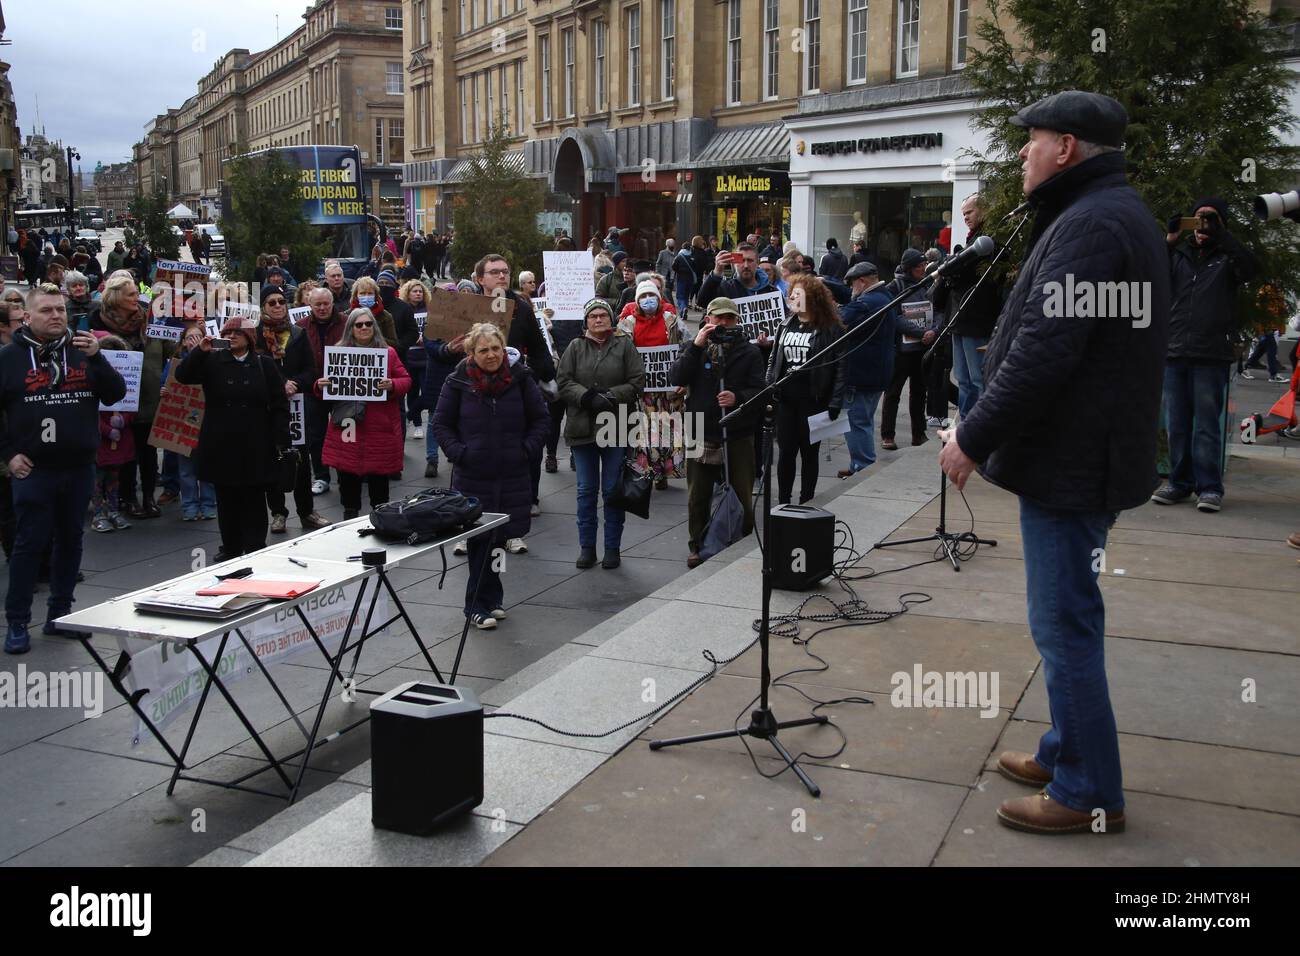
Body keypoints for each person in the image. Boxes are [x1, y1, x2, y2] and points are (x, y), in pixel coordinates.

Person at [938, 90, 1171, 835]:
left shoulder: (1095, 222)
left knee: (1064, 627)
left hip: (1074, 464)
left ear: (1066, 147)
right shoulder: (1101, 212)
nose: (1022, 153)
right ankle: (1066, 748)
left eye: (1031, 141)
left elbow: (1043, 353)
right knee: (1073, 617)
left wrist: (971, 437)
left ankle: (1087, 792)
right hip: (1084, 457)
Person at [2, 284, 127, 654]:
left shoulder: (83, 351)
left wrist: (98, 358)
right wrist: (8, 454)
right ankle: (18, 621)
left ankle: (60, 614)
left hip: (78, 466)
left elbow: (115, 394)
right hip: (34, 470)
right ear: (27, 316)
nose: (56, 316)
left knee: (71, 542)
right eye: (46, 311)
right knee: (29, 545)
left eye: (60, 309)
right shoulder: (9, 358)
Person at [432, 323, 551, 629]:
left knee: (499, 540)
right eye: (483, 350)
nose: (491, 355)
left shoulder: (521, 380)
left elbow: (540, 419)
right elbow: (441, 425)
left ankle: (493, 598)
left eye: (496, 348)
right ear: (471, 353)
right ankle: (475, 605)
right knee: (479, 543)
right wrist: (460, 453)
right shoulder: (457, 381)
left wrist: (526, 450)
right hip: (474, 476)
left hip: (511, 475)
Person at [1153, 197, 1257, 513]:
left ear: (1221, 223)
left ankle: (1209, 487)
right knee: (1178, 423)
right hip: (1176, 351)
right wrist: (1170, 239)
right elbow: (1150, 271)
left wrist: (1222, 235)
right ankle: (1179, 483)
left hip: (1211, 354)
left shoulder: (1227, 258)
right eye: (1197, 219)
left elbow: (1252, 270)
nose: (1201, 226)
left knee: (1207, 424)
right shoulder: (1179, 255)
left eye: (1209, 220)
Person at [176, 317, 290, 560]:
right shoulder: (212, 360)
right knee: (226, 499)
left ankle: (256, 546)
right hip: (221, 442)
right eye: (228, 332)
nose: (232, 336)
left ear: (249, 337)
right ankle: (231, 547)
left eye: (238, 332)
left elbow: (279, 404)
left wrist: (281, 440)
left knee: (254, 498)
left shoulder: (264, 364)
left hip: (256, 442)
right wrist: (199, 352)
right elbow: (183, 376)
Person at [672, 297, 767, 568]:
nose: (723, 323)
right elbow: (677, 377)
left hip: (737, 432)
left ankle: (739, 539)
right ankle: (697, 544)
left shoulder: (748, 352)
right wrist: (697, 345)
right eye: (718, 318)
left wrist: (738, 397)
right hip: (701, 430)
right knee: (697, 496)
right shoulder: (695, 347)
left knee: (741, 493)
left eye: (729, 319)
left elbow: (760, 390)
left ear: (737, 321)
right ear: (707, 319)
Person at [558, 299, 645, 569]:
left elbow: (637, 381)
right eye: (593, 316)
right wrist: (585, 397)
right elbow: (563, 381)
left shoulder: (624, 346)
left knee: (611, 490)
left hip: (615, 427)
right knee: (586, 491)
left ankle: (612, 548)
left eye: (602, 315)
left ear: (611, 319)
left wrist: (610, 396)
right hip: (582, 428)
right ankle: (587, 547)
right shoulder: (575, 347)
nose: (598, 320)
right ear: (586, 321)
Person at [315, 309, 410, 519]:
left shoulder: (388, 353)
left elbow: (406, 380)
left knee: (379, 481)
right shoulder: (338, 353)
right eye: (359, 325)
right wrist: (320, 386)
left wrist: (392, 384)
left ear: (374, 327)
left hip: (379, 426)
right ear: (351, 328)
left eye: (368, 324)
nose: (364, 328)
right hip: (348, 424)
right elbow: (325, 386)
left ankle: (381, 520)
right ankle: (350, 518)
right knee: (347, 476)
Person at [93, 275, 173, 518]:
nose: (135, 298)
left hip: (149, 397)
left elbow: (171, 350)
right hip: (118, 404)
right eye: (130, 294)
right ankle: (126, 499)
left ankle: (148, 497)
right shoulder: (98, 322)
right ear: (115, 298)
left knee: (148, 454)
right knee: (124, 455)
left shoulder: (150, 320)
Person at [255, 286, 331, 533]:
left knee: (300, 459)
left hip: (297, 407)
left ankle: (307, 511)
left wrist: (295, 383)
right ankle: (278, 513)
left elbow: (311, 370)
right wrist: (279, 385)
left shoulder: (298, 334)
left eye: (281, 302)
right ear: (263, 307)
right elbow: (254, 369)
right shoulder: (256, 336)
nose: (277, 306)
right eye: (271, 303)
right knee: (273, 458)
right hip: (268, 409)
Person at [767, 274, 845, 504]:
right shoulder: (784, 324)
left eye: (797, 294)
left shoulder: (831, 329)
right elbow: (774, 359)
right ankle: (783, 501)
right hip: (786, 401)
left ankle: (807, 500)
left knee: (810, 454)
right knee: (786, 454)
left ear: (812, 298)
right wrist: (769, 383)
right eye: (791, 294)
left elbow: (841, 367)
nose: (791, 297)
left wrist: (835, 403)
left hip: (814, 401)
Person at [931, 194, 1003, 421]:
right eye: (963, 214)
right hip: (960, 320)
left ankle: (979, 424)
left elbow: (969, 274)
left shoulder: (987, 242)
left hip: (976, 321)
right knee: (963, 378)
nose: (965, 218)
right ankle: (965, 421)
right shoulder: (972, 241)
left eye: (969, 212)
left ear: (982, 211)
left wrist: (953, 271)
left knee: (977, 379)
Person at [619, 279, 685, 492]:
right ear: (637, 300)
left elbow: (686, 345)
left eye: (652, 296)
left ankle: (663, 473)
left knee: (666, 428)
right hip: (642, 389)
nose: (648, 300)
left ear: (659, 298)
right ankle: (648, 471)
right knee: (644, 431)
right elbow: (621, 350)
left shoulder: (670, 320)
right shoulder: (628, 323)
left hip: (666, 389)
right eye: (644, 297)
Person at [836, 261, 898, 477]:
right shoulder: (883, 297)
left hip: (861, 376)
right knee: (865, 420)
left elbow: (840, 319)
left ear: (862, 282)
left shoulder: (867, 303)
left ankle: (863, 467)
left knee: (856, 422)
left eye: (853, 284)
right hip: (875, 374)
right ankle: (858, 465)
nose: (851, 289)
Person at [879, 248, 935, 450]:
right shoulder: (895, 287)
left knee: (920, 393)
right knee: (893, 392)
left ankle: (918, 434)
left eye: (924, 265)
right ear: (909, 268)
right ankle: (888, 435)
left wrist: (934, 331)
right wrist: (921, 333)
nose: (923, 269)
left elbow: (937, 309)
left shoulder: (928, 283)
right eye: (919, 266)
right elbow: (894, 317)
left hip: (923, 349)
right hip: (901, 350)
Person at [300, 287, 346, 495]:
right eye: (317, 304)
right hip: (314, 390)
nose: (322, 308)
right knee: (315, 435)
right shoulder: (300, 328)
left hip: (343, 390)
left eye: (325, 303)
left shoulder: (347, 323)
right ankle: (321, 476)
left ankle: (347, 471)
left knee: (346, 432)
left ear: (332, 303)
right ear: (310, 305)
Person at [169, 326, 218, 521]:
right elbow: (167, 382)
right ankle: (189, 506)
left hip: (207, 421)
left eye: (198, 336)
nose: (194, 340)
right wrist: (164, 391)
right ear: (183, 342)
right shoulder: (175, 363)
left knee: (206, 465)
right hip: (183, 422)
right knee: (186, 469)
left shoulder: (213, 360)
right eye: (190, 337)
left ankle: (208, 504)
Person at [89, 333, 135, 533]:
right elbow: (90, 412)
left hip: (120, 439)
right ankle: (99, 513)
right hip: (100, 441)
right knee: (97, 480)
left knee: (114, 478)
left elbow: (131, 403)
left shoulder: (126, 376)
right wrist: (107, 430)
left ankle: (114, 510)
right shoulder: (94, 375)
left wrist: (123, 420)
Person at [399, 278, 432, 436]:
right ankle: (418, 425)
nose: (418, 294)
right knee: (411, 393)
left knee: (428, 393)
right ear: (408, 293)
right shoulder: (404, 310)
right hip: (410, 358)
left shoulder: (429, 309)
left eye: (420, 291)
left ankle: (409, 415)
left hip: (426, 358)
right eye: (415, 291)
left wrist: (426, 339)